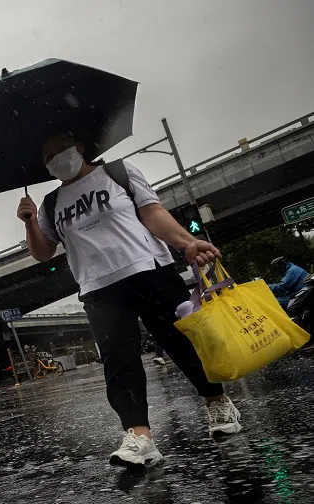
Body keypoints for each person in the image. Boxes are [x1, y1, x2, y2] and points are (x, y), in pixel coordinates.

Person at [17, 132, 243, 468]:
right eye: (47, 157)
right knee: (119, 361)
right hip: (98, 287)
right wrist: (30, 222)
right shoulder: (51, 204)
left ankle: (218, 401)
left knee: (183, 343)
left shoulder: (118, 173)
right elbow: (43, 252)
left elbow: (153, 214)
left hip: (148, 269)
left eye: (60, 150)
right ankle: (140, 437)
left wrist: (186, 242)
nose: (55, 160)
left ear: (80, 146)